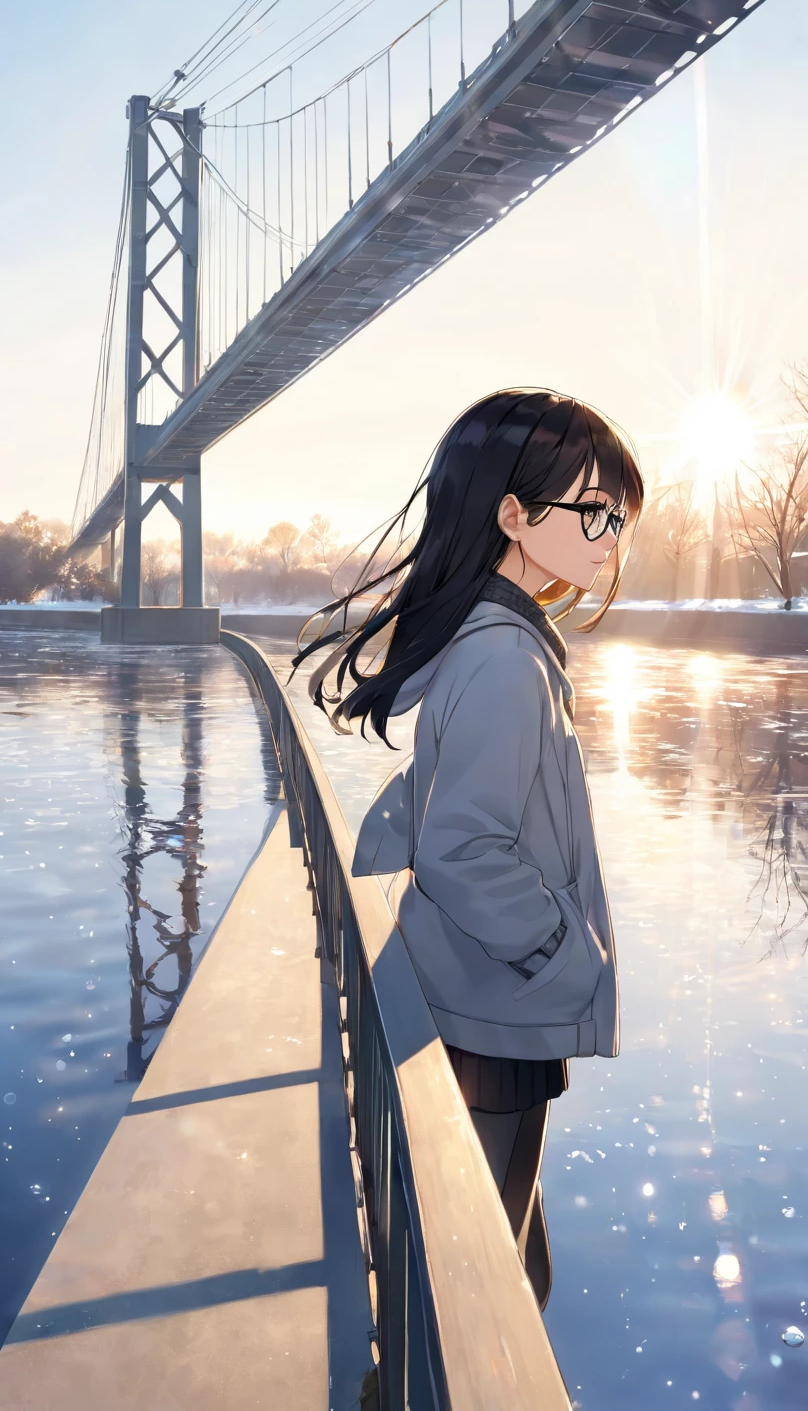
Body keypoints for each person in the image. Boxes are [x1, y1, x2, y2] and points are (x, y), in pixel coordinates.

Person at [291, 388, 643, 1310]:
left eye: (619, 519)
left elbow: (421, 807)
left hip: (482, 1006)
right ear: (514, 516)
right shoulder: (504, 659)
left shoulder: (488, 644)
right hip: (500, 1014)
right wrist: (564, 956)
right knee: (487, 1292)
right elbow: (464, 847)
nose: (610, 539)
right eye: (594, 512)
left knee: (494, 1260)